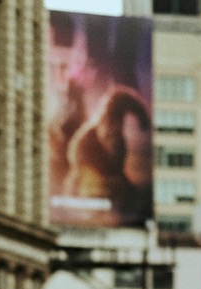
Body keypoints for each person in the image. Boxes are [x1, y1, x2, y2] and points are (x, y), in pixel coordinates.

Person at [63, 86, 153, 225]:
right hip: (89, 175)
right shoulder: (87, 143)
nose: (116, 131)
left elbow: (126, 99)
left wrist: (143, 119)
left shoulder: (116, 137)